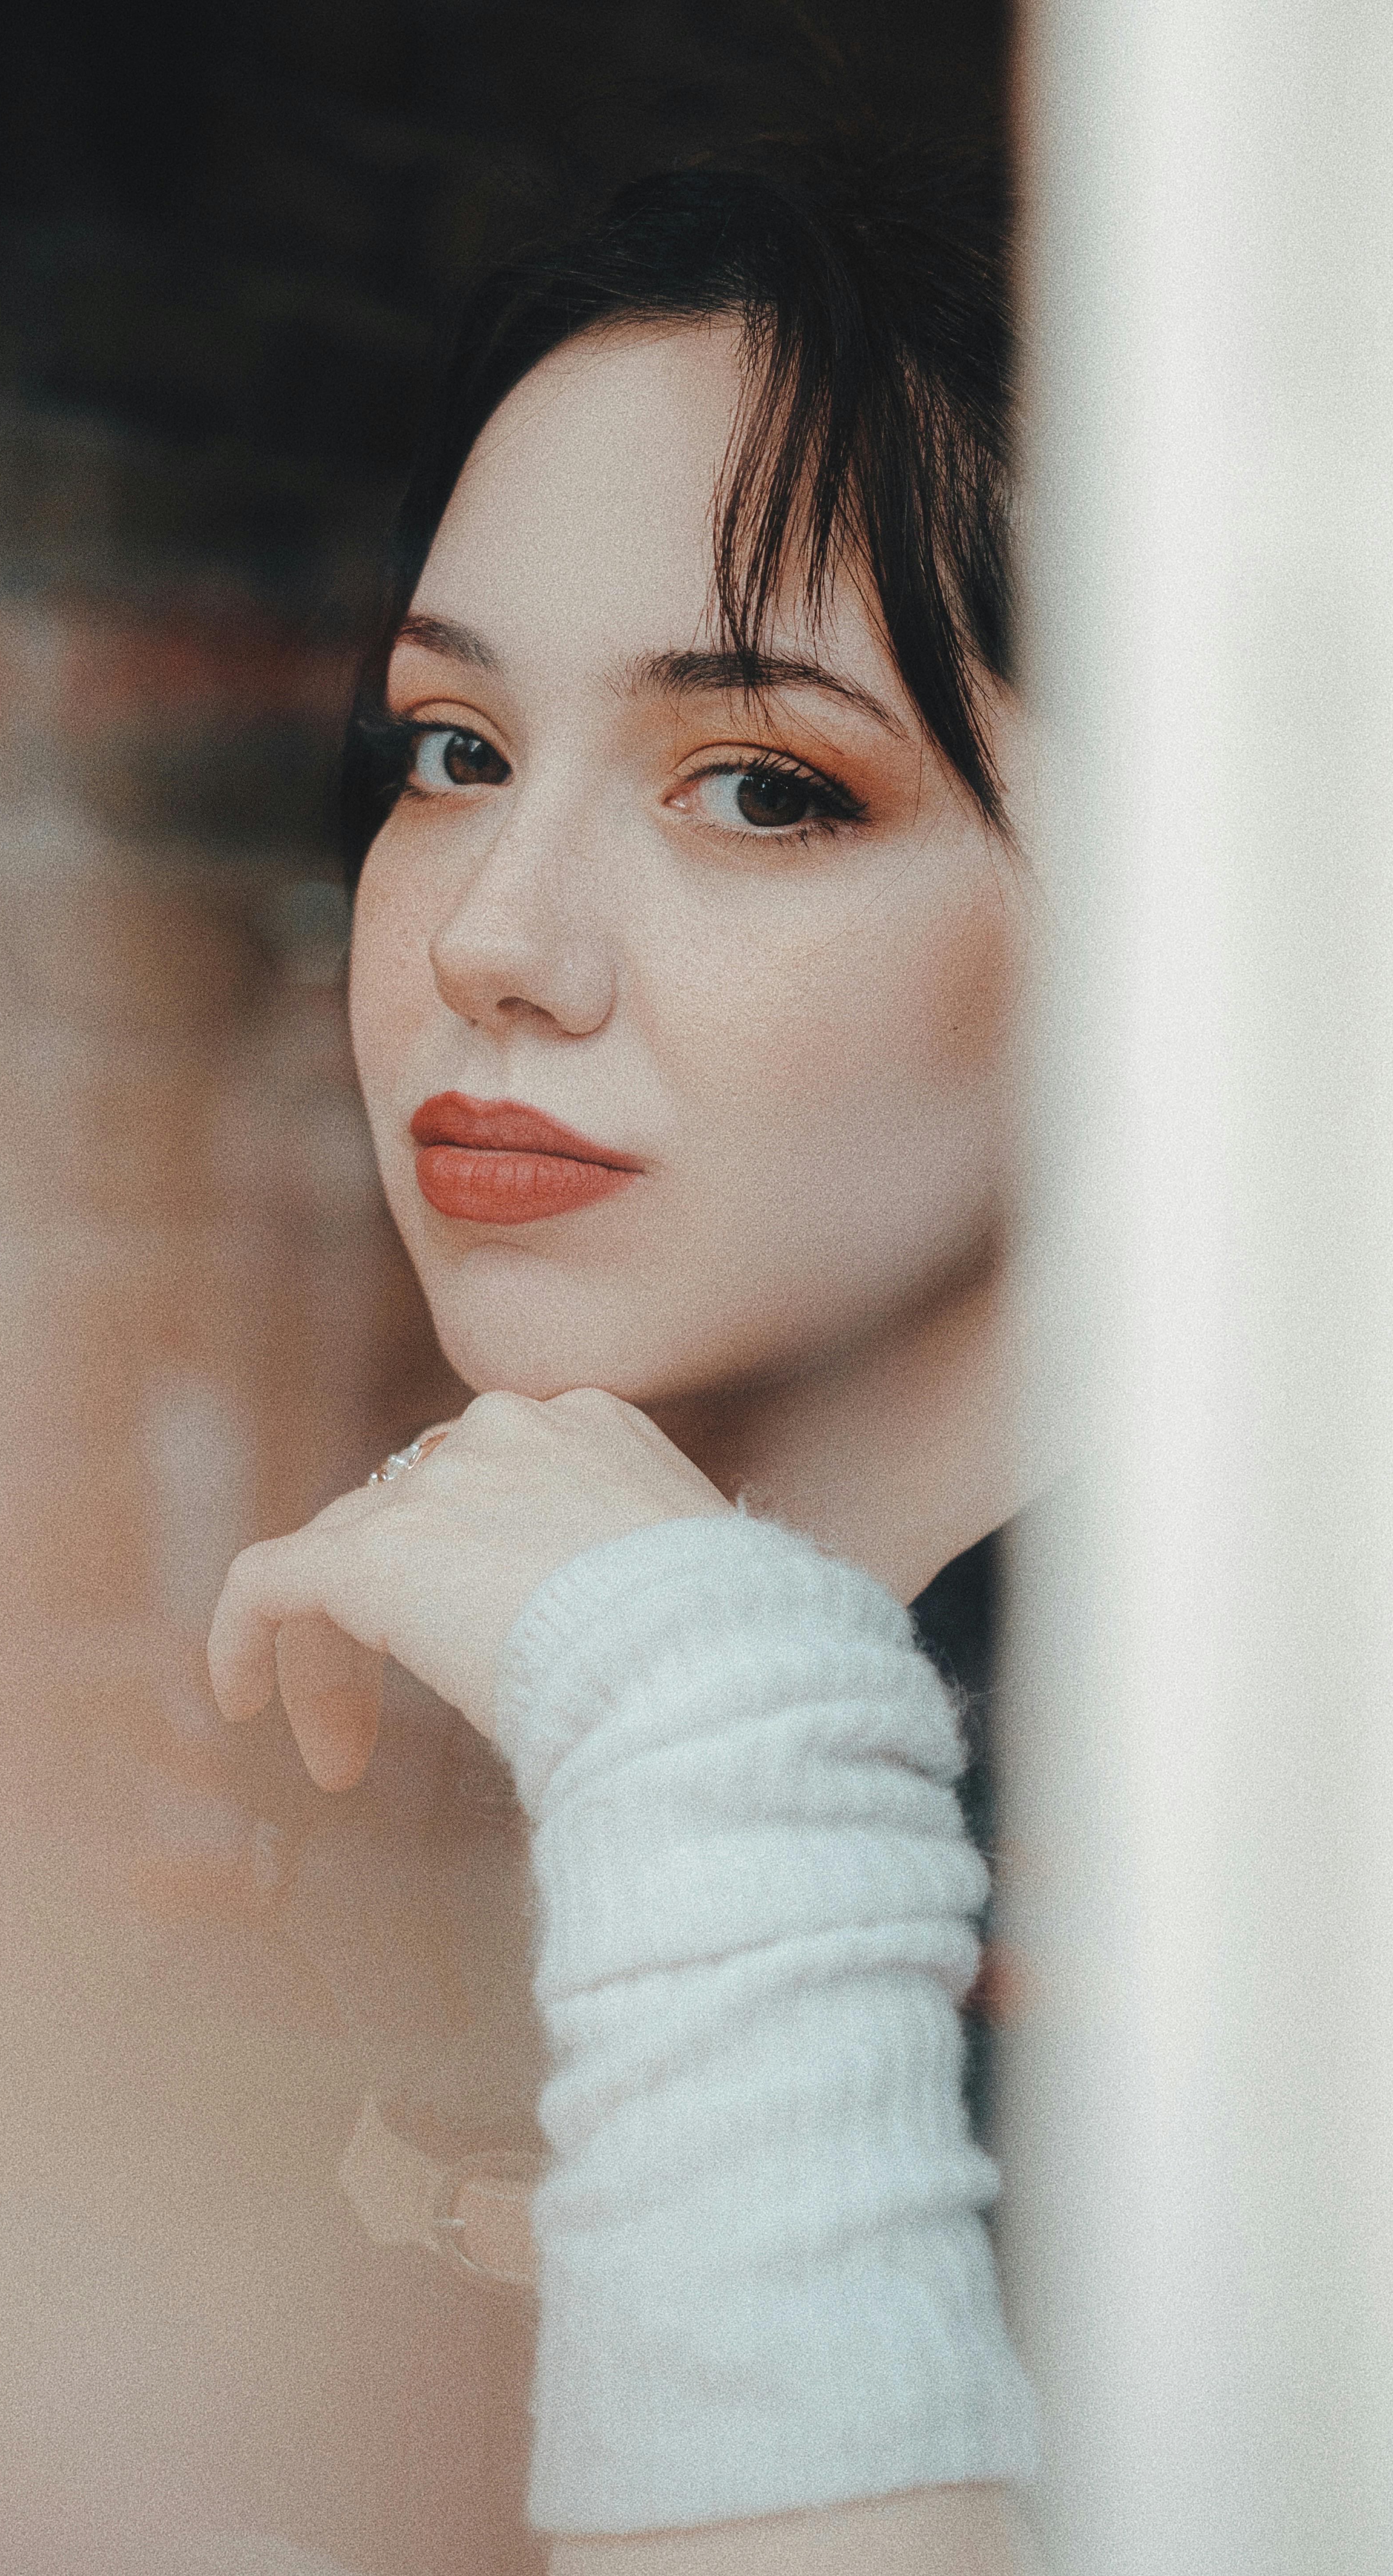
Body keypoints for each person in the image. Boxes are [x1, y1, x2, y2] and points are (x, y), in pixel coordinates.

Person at [210, 135, 1043, 2574]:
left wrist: (701, 1719)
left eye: (763, 784)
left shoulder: (1293, 1868)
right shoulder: (436, 1743)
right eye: (450, 751)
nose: (496, 935)